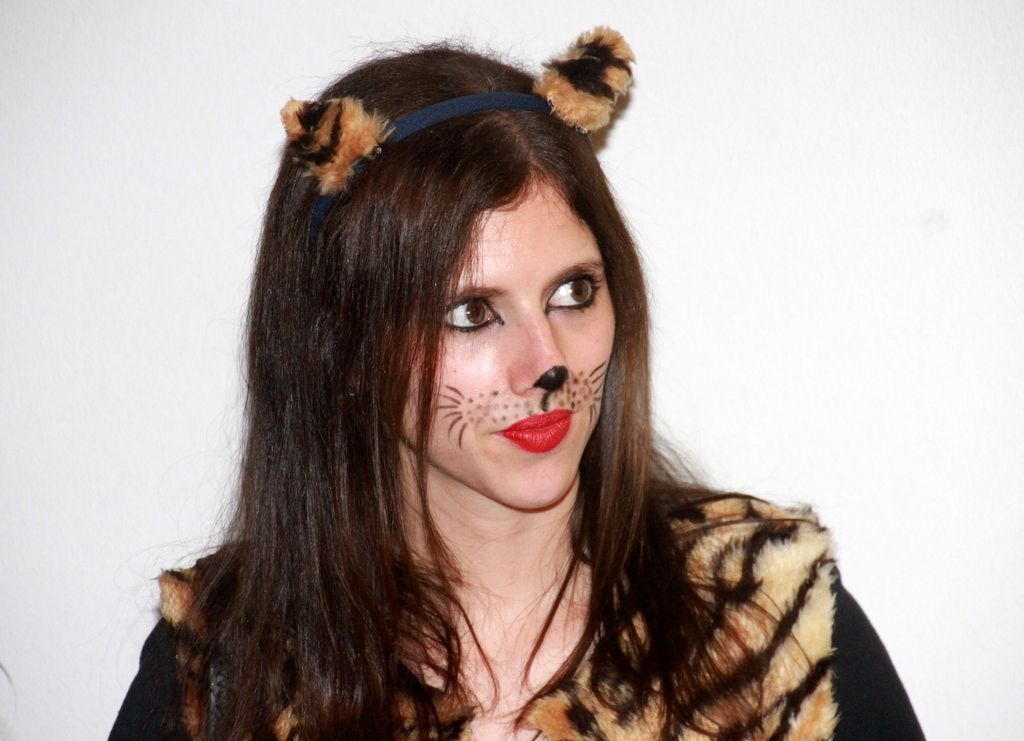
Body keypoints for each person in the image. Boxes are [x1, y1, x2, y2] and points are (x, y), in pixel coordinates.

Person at [109, 27, 924, 741]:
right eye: (471, 312)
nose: (547, 362)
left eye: (574, 291)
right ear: (345, 353)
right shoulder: (227, 667)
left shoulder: (769, 619)